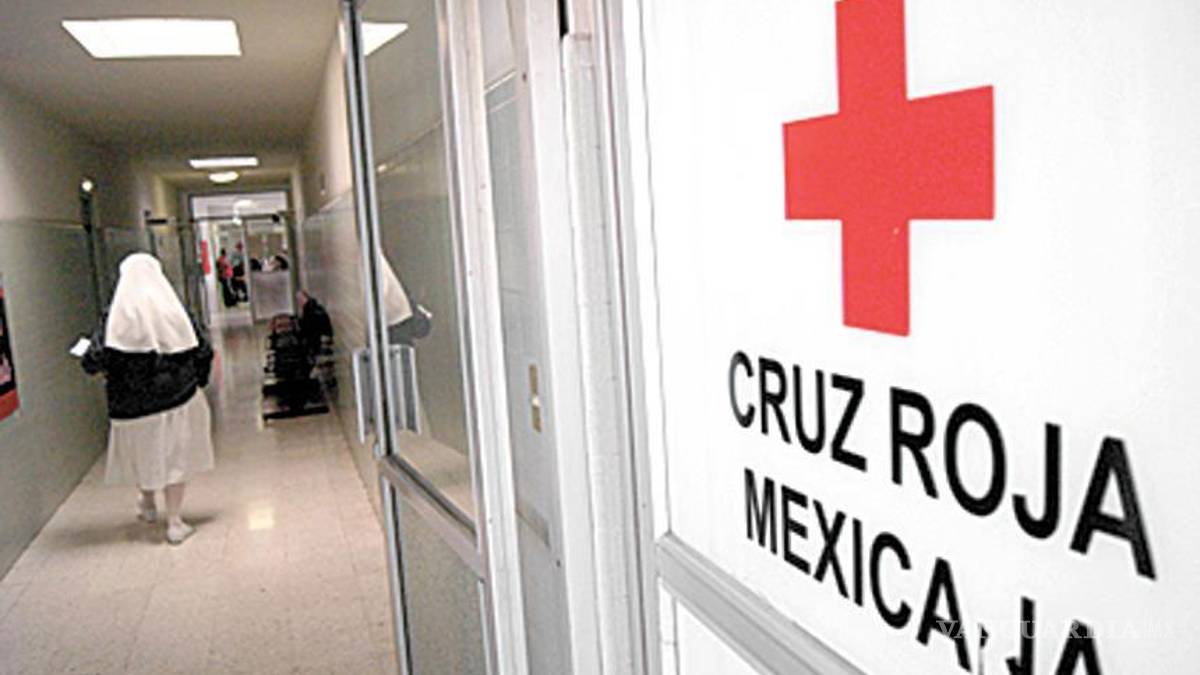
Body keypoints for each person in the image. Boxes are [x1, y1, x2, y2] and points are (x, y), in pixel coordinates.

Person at [81, 253, 215, 545]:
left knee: (144, 455)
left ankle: (148, 503)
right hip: (178, 400)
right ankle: (175, 522)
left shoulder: (113, 317)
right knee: (175, 459)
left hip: (130, 407)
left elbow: (92, 360)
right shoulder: (175, 311)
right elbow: (203, 350)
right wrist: (199, 381)